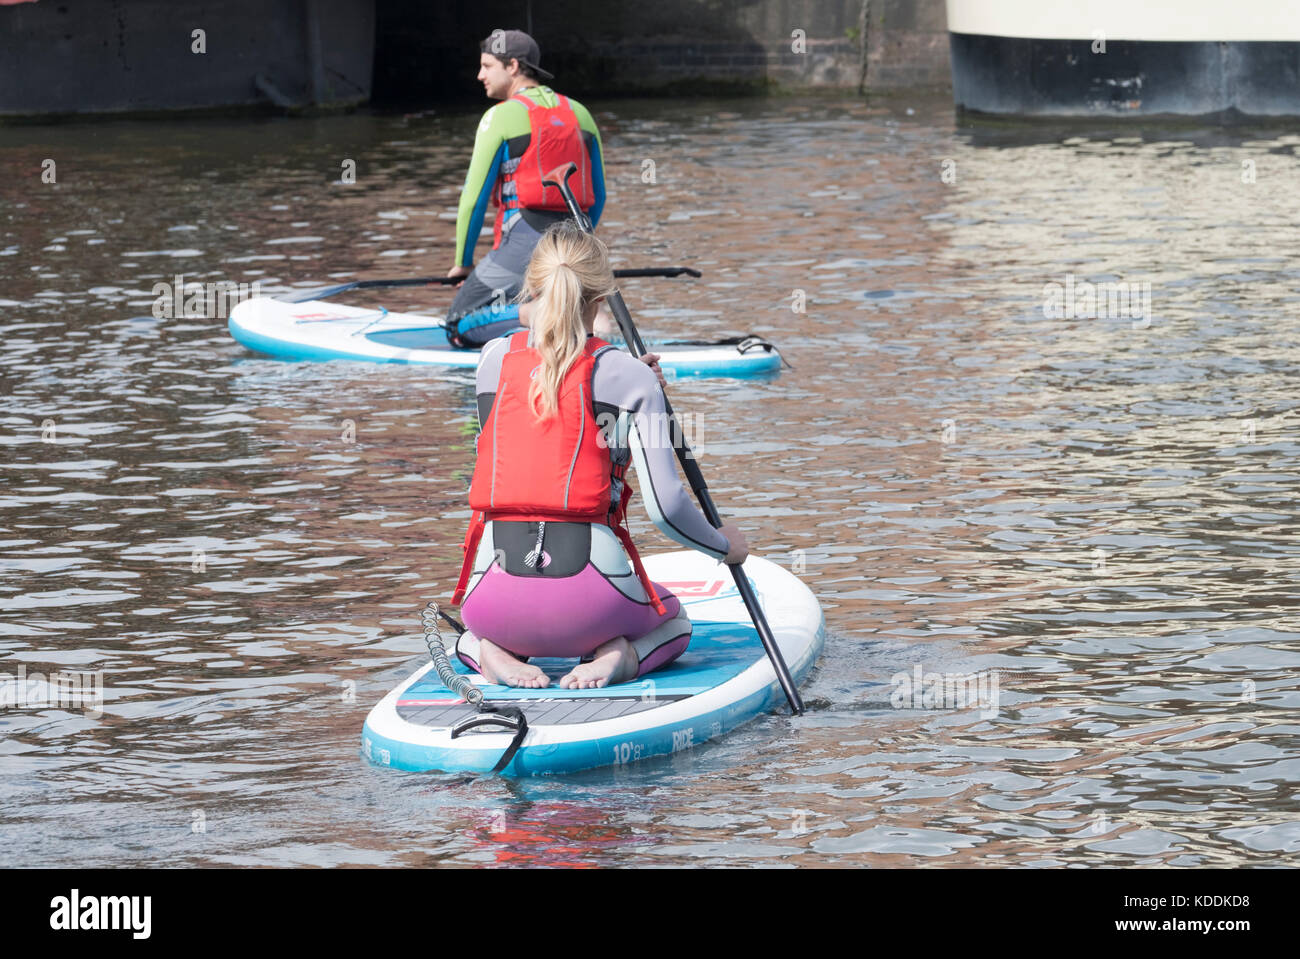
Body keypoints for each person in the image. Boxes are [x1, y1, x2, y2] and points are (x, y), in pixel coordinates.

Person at [449, 223, 749, 689]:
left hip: (492, 592)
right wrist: (723, 547)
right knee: (675, 622)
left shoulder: (490, 360)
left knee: (465, 632)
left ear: (533, 288)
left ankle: (490, 650)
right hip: (590, 601)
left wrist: (626, 376)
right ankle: (619, 654)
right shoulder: (629, 377)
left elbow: (545, 424)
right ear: (601, 296)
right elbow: (667, 512)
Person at [445, 29, 607, 348]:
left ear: (513, 66)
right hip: (573, 244)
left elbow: (473, 201)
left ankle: (536, 313)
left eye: (487, 66)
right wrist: (577, 251)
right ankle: (578, 314)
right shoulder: (581, 113)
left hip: (521, 242)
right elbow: (598, 197)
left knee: (457, 325)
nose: (480, 75)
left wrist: (462, 264)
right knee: (551, 284)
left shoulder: (500, 117)